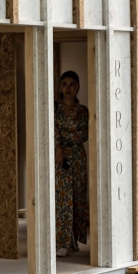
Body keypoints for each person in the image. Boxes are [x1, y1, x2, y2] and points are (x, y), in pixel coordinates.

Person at [54, 71, 90, 258]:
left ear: (77, 87)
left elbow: (84, 134)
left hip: (78, 156)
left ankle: (74, 239)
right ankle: (62, 241)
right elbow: (52, 130)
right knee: (62, 198)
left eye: (72, 84)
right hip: (59, 157)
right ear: (60, 87)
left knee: (77, 196)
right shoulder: (54, 108)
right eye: (64, 84)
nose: (68, 88)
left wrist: (65, 138)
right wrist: (59, 146)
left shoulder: (83, 110)